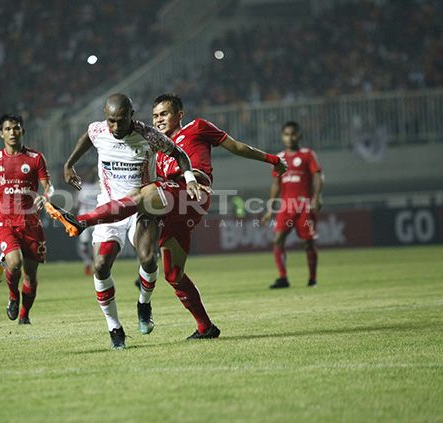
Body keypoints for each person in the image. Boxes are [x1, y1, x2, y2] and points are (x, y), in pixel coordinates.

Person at [48, 93, 287, 339]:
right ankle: (206, 327)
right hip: (172, 209)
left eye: (164, 114)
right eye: (155, 116)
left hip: (191, 193)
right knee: (173, 273)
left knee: (146, 192)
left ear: (179, 115)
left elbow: (236, 146)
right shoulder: (155, 144)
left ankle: (82, 221)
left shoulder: (197, 128)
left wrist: (272, 160)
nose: (159, 119)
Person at [50, 93, 200, 349]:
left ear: (132, 115)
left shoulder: (149, 136)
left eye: (121, 121)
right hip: (109, 208)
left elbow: (180, 155)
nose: (116, 127)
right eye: (111, 121)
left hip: (142, 208)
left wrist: (190, 177)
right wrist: (69, 164)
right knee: (100, 265)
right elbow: (87, 137)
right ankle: (115, 328)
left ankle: (144, 303)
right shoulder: (99, 130)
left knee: (148, 258)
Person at [0, 114, 53, 324]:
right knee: (14, 262)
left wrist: (45, 197)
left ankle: (24, 315)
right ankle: (12, 296)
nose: (12, 132)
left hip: (32, 224)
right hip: (5, 222)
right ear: (1, 133)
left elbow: (48, 186)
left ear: (23, 131)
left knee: (31, 275)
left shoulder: (36, 158)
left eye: (16, 128)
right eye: (8, 129)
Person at [263, 121, 323, 289]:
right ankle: (283, 278)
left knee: (308, 242)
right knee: (277, 239)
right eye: (287, 135)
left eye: (293, 134)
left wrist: (317, 197)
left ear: (299, 135)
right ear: (282, 137)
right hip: (285, 206)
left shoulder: (307, 154)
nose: (290, 138)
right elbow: (276, 184)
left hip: (304, 205)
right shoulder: (280, 158)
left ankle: (312, 278)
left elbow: (318, 176)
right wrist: (270, 209)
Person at [74, 167, 100, 276]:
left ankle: (97, 264)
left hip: (97, 219)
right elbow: (76, 205)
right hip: (84, 219)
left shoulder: (100, 187)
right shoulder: (81, 188)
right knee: (84, 244)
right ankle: (87, 262)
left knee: (97, 243)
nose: (90, 176)